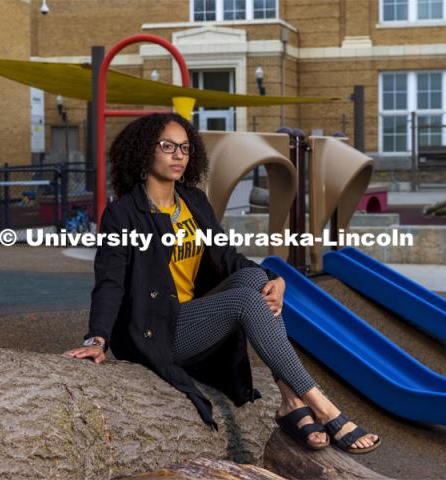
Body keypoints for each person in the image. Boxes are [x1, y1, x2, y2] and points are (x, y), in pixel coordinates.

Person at [64, 113, 381, 454]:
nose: (178, 155)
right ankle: (319, 403)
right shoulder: (123, 214)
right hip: (157, 329)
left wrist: (275, 279)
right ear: (144, 152)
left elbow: (228, 257)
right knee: (245, 300)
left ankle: (289, 400)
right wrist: (97, 338)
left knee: (256, 279)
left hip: (195, 319)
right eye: (167, 146)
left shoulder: (193, 202)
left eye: (185, 148)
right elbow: (110, 282)